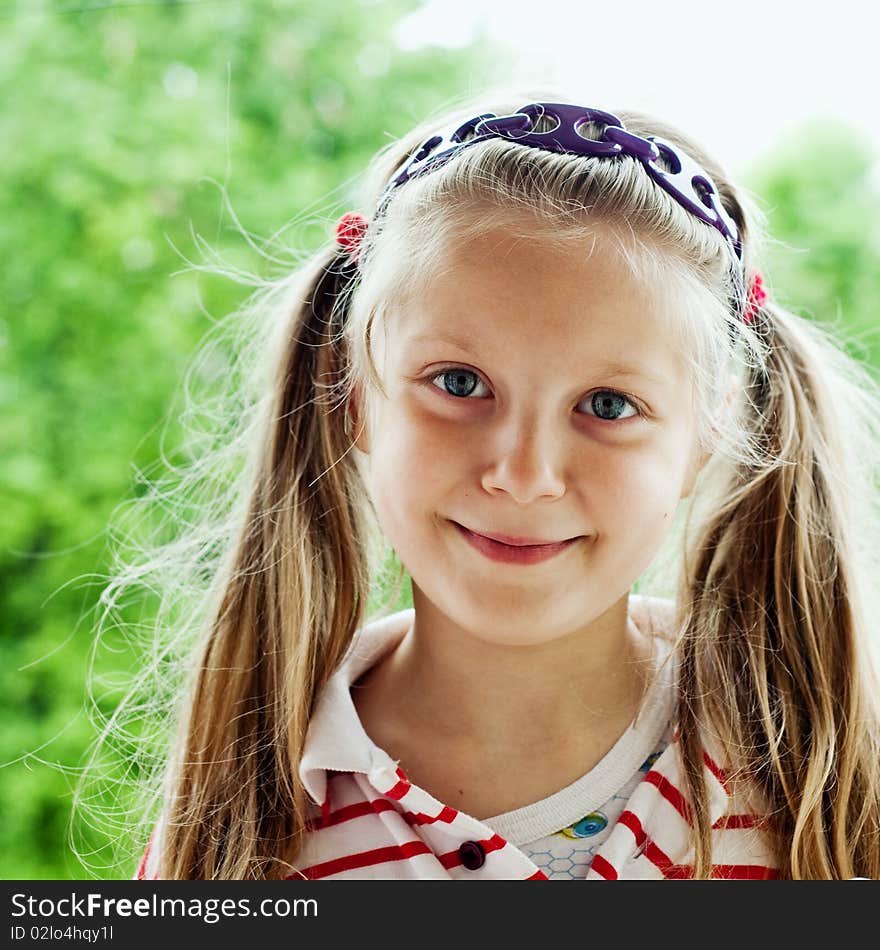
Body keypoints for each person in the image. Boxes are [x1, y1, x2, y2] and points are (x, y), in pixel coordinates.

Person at [120, 87, 880, 880]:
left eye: (609, 405)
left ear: (707, 434)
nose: (523, 476)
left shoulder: (820, 788)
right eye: (457, 382)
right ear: (354, 393)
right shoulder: (235, 828)